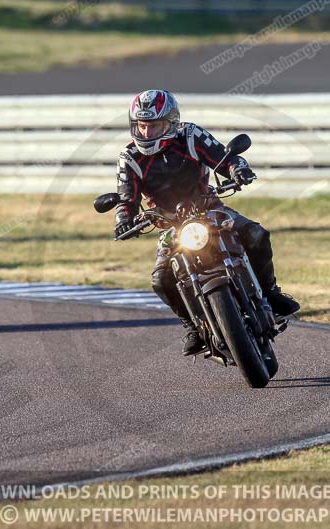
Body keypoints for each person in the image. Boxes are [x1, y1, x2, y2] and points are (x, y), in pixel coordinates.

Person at [114, 89, 299, 356]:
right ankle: (192, 325)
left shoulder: (190, 135)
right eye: (141, 126)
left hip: (209, 208)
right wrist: (123, 219)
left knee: (257, 235)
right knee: (160, 279)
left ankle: (270, 292)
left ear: (171, 122)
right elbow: (125, 199)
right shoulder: (129, 158)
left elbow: (225, 159)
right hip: (170, 226)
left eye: (153, 125)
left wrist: (239, 170)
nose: (146, 132)